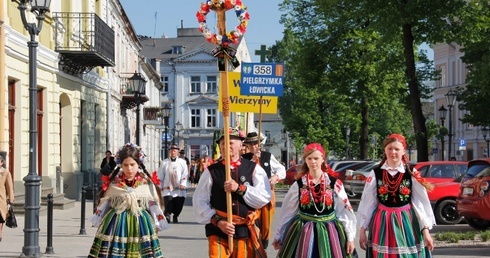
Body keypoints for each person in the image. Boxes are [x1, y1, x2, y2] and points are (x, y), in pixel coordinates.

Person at [193, 127, 272, 257]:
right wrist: (218, 221)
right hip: (218, 230)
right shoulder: (211, 171)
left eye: (230, 143)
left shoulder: (254, 169)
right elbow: (199, 201)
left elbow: (264, 197)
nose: (226, 146)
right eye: (223, 143)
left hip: (244, 229)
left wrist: (240, 189)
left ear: (241, 145)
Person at [272, 143, 357, 257]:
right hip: (303, 231)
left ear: (323, 159)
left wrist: (350, 238)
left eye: (316, 158)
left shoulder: (334, 183)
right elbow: (288, 211)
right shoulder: (299, 184)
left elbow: (344, 211)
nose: (313, 162)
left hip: (330, 231)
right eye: (309, 158)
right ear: (305, 161)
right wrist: (279, 235)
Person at [357, 133, 435, 257]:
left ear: (403, 151)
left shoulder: (411, 173)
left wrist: (426, 232)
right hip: (382, 221)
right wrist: (362, 230)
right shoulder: (376, 173)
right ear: (384, 150)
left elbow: (419, 204)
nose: (393, 152)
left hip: (406, 221)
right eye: (390, 148)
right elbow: (368, 203)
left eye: (397, 149)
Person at [88, 143, 168, 257]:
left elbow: (155, 206)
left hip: (141, 223)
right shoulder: (114, 183)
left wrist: (156, 225)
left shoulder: (146, 183)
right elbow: (104, 203)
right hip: (116, 223)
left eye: (132, 164)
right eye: (125, 165)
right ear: (121, 165)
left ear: (138, 164)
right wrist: (100, 220)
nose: (129, 168)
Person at [242, 131, 286, 248]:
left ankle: (264, 243)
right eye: (250, 145)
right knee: (253, 221)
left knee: (266, 225)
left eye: (256, 144)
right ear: (247, 146)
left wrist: (276, 177)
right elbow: (243, 173)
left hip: (266, 194)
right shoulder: (244, 159)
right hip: (251, 194)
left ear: (259, 144)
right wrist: (253, 160)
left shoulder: (267, 156)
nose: (253, 146)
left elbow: (281, 169)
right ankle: (254, 245)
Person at [158, 143, 188, 223]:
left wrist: (183, 183)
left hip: (179, 188)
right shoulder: (164, 163)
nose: (173, 152)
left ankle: (176, 215)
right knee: (168, 203)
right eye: (171, 150)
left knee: (178, 204)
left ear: (178, 152)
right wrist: (159, 186)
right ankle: (167, 215)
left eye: (174, 150)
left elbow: (185, 174)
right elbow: (160, 176)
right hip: (168, 188)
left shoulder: (182, 162)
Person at [0, 155, 14, 242]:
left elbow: (10, 188)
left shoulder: (5, 173)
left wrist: (11, 201)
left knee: (0, 222)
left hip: (1, 202)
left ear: (1, 163)